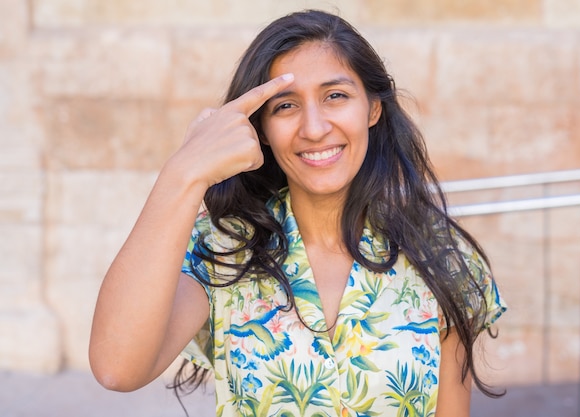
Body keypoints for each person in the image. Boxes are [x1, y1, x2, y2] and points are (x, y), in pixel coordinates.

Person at [89, 9, 506, 417]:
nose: (313, 127)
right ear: (263, 130)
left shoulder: (440, 254)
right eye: (285, 106)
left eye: (335, 96)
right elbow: (117, 368)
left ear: (373, 109)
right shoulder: (223, 248)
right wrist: (183, 173)